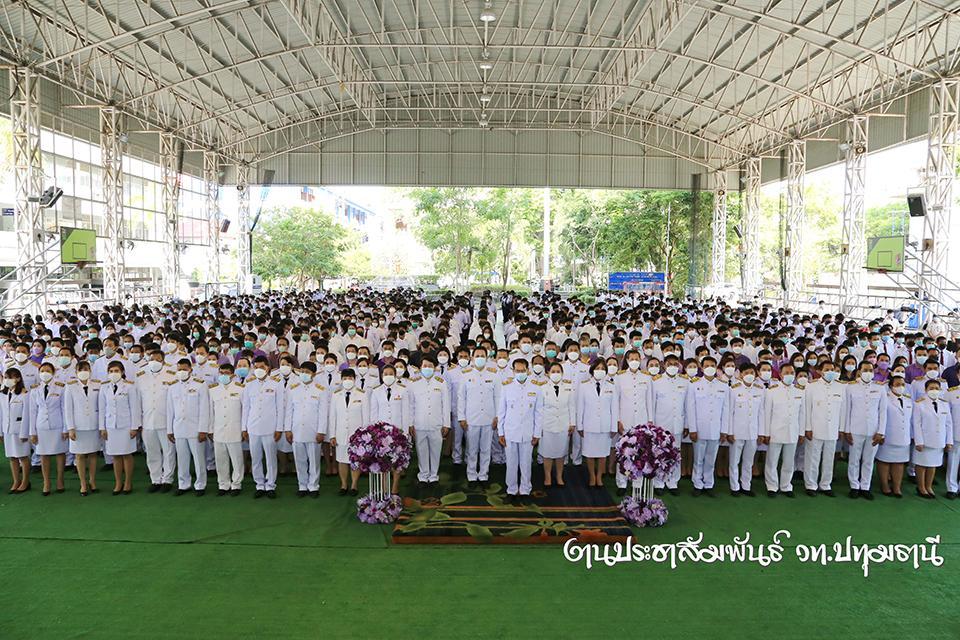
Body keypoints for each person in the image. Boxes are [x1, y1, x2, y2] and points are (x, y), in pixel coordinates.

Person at [497, 358, 543, 502]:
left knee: (526, 463)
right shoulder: (506, 387)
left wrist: (537, 433)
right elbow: (501, 412)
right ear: (513, 371)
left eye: (523, 371)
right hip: (510, 432)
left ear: (528, 371)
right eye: (518, 371)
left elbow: (538, 413)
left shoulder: (536, 388)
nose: (520, 373)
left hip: (528, 433)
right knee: (511, 462)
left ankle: (525, 490)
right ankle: (511, 490)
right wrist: (501, 432)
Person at [842, 361, 887, 499]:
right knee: (854, 459)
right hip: (855, 429)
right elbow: (847, 410)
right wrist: (847, 430)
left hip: (873, 431)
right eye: (865, 370)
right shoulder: (851, 387)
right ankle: (854, 485)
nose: (868, 372)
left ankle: (865, 486)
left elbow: (883, 412)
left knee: (869, 460)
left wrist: (881, 431)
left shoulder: (880, 388)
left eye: (871, 370)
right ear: (859, 371)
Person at [241, 357, 285, 499]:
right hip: (253, 427)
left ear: (268, 368)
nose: (259, 370)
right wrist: (244, 428)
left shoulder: (276, 384)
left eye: (262, 367)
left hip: (270, 427)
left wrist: (279, 428)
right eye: (256, 367)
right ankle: (259, 484)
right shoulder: (249, 385)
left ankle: (271, 485)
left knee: (271, 458)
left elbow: (280, 408)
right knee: (256, 458)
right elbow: (246, 408)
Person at [166, 358, 210, 496]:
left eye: (184, 369)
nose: (181, 372)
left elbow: (204, 409)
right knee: (182, 458)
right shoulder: (172, 386)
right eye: (179, 370)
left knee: (198, 458)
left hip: (195, 428)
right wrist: (169, 429)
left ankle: (200, 485)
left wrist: (203, 429)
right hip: (179, 427)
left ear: (191, 369)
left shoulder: (200, 385)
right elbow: (170, 410)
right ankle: (183, 484)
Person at [457, 347, 500, 489]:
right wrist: (462, 417)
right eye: (477, 355)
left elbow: (498, 398)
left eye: (482, 355)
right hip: (471, 418)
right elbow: (461, 398)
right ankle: (471, 475)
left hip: (489, 419)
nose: (480, 358)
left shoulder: (494, 376)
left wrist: (497, 416)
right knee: (471, 448)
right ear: (472, 358)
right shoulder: (465, 375)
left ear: (487, 358)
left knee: (486, 448)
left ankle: (483, 474)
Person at [284, 361, 328, 497]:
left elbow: (323, 413)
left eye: (307, 372)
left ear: (313, 374)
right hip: (296, 430)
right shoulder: (293, 389)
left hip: (313, 431)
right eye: (302, 371)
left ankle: (313, 486)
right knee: (299, 459)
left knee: (314, 460)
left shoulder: (321, 390)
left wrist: (321, 431)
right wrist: (287, 429)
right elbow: (289, 411)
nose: (304, 374)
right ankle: (302, 485)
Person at [760, 363, 805, 497]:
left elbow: (802, 415)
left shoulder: (800, 391)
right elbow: (767, 414)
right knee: (772, 461)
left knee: (789, 461)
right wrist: (766, 433)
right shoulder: (772, 391)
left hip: (792, 431)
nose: (789, 375)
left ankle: (786, 486)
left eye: (792, 373)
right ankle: (772, 486)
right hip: (775, 431)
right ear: (780, 374)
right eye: (786, 373)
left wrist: (801, 432)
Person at [685, 356, 727, 496]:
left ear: (716, 368)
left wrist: (724, 430)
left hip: (715, 429)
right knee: (698, 458)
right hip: (699, 428)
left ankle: (709, 484)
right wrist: (692, 429)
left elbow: (725, 410)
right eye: (707, 365)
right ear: (701, 368)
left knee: (711, 459)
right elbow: (690, 409)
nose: (710, 367)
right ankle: (697, 484)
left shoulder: (723, 386)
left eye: (712, 365)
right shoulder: (694, 385)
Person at [802, 361, 845, 497]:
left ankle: (825, 484)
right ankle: (810, 485)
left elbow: (843, 410)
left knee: (829, 458)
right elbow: (807, 409)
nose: (830, 372)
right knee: (812, 458)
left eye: (832, 369)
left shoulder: (840, 387)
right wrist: (807, 427)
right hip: (815, 428)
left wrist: (842, 428)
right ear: (820, 371)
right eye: (827, 369)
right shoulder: (811, 386)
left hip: (832, 429)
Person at [407, 356, 450, 489]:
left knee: (436, 450)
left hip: (436, 423)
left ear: (435, 368)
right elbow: (411, 405)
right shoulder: (413, 383)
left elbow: (446, 405)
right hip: (419, 423)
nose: (427, 368)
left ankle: (434, 476)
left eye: (430, 366)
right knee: (421, 450)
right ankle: (423, 475)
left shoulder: (441, 382)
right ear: (420, 368)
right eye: (425, 366)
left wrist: (446, 424)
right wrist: (410, 423)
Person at [98, 360, 141, 494]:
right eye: (111, 371)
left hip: (126, 425)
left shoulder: (130, 387)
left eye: (116, 371)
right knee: (115, 456)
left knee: (127, 454)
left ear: (122, 372)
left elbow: (135, 408)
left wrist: (134, 427)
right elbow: (102, 409)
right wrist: (102, 427)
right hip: (111, 426)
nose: (113, 374)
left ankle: (128, 482)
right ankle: (118, 482)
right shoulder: (104, 388)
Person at [138, 349, 177, 492]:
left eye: (158, 359)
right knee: (152, 451)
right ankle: (155, 480)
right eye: (151, 358)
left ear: (163, 360)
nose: (154, 361)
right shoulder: (141, 375)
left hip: (165, 420)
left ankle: (167, 479)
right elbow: (138, 399)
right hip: (147, 420)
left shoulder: (171, 374)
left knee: (168, 451)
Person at [26, 362, 67, 495]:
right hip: (41, 426)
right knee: (44, 454)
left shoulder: (61, 388)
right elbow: (32, 412)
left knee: (60, 453)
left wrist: (65, 428)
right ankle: (46, 482)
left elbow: (64, 409)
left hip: (58, 424)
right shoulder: (35, 389)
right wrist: (32, 432)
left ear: (53, 372)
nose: (44, 373)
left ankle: (60, 480)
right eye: (42, 370)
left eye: (48, 370)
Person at [722, 363, 763, 496]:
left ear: (756, 374)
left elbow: (761, 413)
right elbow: (729, 412)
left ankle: (746, 485)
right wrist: (730, 432)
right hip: (737, 431)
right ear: (740, 375)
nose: (749, 375)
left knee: (748, 461)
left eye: (752, 373)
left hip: (753, 432)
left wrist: (761, 433)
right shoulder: (733, 390)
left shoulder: (759, 390)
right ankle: (734, 487)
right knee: (734, 461)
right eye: (746, 373)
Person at [576, 360, 617, 489]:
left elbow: (614, 408)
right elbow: (580, 407)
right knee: (590, 453)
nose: (600, 370)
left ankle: (599, 476)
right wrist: (580, 426)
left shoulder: (611, 386)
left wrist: (614, 427)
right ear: (592, 370)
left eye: (602, 368)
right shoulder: (584, 386)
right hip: (589, 425)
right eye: (597, 368)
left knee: (602, 453)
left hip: (605, 425)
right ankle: (592, 476)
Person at [328, 368, 369, 495]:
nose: (347, 381)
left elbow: (366, 417)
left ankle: (354, 485)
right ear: (341, 380)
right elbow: (332, 416)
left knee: (355, 460)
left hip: (356, 435)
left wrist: (365, 436)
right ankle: (344, 484)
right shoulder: (336, 395)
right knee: (341, 460)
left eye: (350, 378)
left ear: (354, 380)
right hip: (340, 433)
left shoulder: (362, 394)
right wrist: (332, 435)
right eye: (345, 378)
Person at [369, 364, 408, 494]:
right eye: (385, 374)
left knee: (397, 459)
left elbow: (405, 413)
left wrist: (405, 433)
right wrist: (374, 433)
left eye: (391, 373)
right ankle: (384, 485)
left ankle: (395, 485)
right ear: (381, 376)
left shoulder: (403, 390)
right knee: (383, 460)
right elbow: (373, 414)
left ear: (395, 375)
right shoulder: (376, 391)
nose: (388, 376)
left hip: (398, 431)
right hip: (381, 432)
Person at [63, 361, 101, 495]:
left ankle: (92, 480)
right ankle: (83, 484)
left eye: (86, 369)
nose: (83, 371)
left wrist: (101, 426)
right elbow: (68, 409)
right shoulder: (70, 386)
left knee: (93, 454)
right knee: (79, 455)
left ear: (90, 370)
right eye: (80, 369)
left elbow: (101, 406)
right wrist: (70, 428)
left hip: (94, 424)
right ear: (76, 371)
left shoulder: (97, 384)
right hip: (78, 426)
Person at [911, 379, 953, 499]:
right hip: (924, 440)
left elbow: (949, 424)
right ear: (925, 390)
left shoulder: (944, 404)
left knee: (933, 464)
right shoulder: (919, 404)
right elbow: (916, 424)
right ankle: (921, 487)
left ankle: (929, 486)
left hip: (939, 440)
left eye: (936, 388)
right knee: (922, 464)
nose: (934, 391)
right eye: (931, 388)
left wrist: (948, 441)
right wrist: (919, 441)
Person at [208, 363, 245, 496]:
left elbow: (244, 410)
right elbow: (210, 412)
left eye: (226, 373)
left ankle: (236, 484)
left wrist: (243, 428)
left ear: (233, 374)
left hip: (234, 428)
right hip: (218, 429)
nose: (223, 375)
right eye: (221, 373)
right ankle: (223, 484)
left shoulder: (241, 389)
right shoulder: (213, 390)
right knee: (220, 459)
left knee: (237, 459)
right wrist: (210, 429)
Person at [540, 362, 576, 487]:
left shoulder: (568, 387)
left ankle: (559, 476)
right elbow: (539, 409)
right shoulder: (542, 388)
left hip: (563, 424)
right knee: (547, 452)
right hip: (547, 425)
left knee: (561, 452)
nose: (556, 374)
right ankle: (547, 477)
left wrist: (572, 423)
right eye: (553, 371)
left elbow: (572, 406)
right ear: (548, 373)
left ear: (562, 373)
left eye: (558, 371)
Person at [877, 376, 913, 498]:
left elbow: (911, 420)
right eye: (897, 384)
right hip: (887, 436)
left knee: (899, 462)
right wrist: (880, 433)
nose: (900, 387)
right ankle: (885, 485)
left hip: (903, 437)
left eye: (902, 384)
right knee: (884, 461)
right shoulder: (885, 399)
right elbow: (880, 417)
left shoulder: (908, 400)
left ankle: (897, 487)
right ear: (891, 385)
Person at [1, 367, 31, 493]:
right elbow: (1, 414)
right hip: (7, 430)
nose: (8, 380)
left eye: (11, 377)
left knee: (23, 457)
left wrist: (24, 433)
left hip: (20, 431)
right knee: (12, 457)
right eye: (6, 377)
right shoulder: (2, 394)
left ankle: (25, 481)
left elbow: (27, 415)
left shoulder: (24, 394)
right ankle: (16, 481)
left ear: (18, 379)